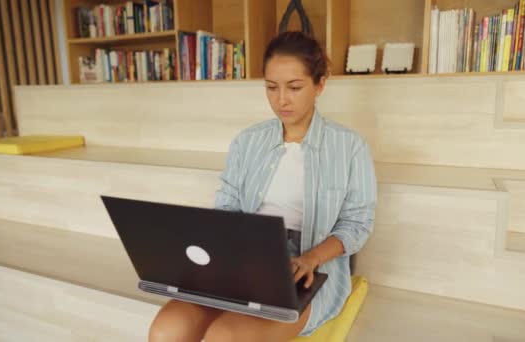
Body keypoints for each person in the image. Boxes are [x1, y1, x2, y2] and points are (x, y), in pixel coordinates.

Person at [148, 31, 377, 342]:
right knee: (165, 330)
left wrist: (311, 259)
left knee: (224, 338)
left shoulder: (349, 147)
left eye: (294, 87)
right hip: (244, 256)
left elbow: (357, 224)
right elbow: (227, 207)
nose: (281, 99)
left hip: (307, 268)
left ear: (320, 84)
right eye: (271, 87)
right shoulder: (247, 141)